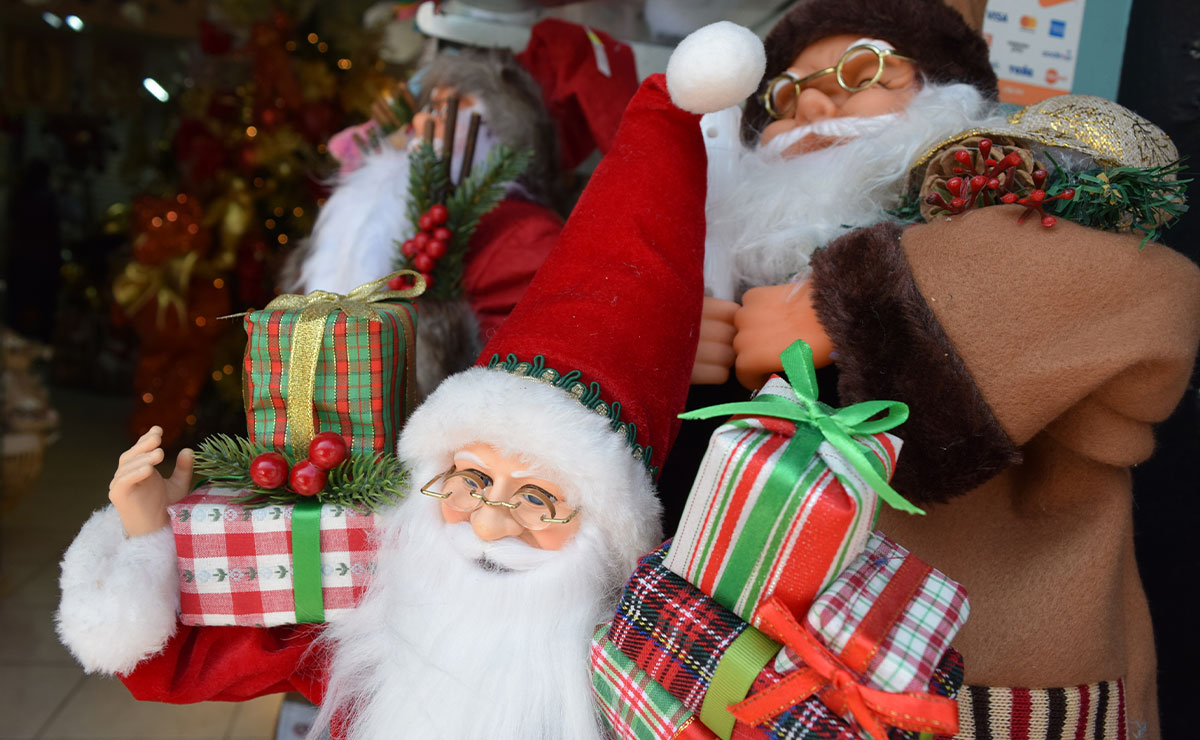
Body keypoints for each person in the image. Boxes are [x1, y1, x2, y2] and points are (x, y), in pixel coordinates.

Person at [54, 58, 741, 739]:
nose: (490, 526)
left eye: (539, 499)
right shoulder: (381, 616)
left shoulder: (643, 685)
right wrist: (147, 542)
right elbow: (167, 664)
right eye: (472, 480)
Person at [684, 2, 1200, 737]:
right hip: (782, 689)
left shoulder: (1027, 221)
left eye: (859, 70)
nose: (815, 102)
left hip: (994, 683)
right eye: (783, 97)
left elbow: (1152, 293)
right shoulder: (742, 282)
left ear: (945, 101)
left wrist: (843, 305)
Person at [284, 21, 638, 398]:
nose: (418, 124)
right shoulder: (414, 216)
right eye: (426, 108)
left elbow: (522, 371)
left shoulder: (524, 234)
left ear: (500, 131)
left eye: (445, 109)